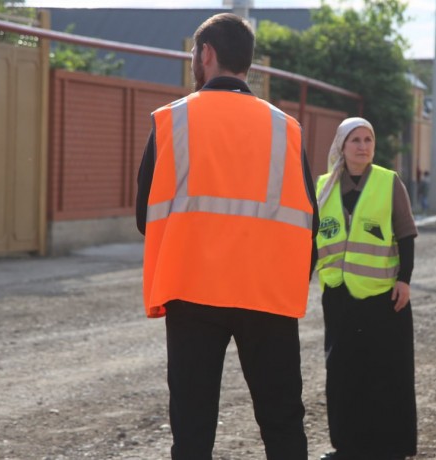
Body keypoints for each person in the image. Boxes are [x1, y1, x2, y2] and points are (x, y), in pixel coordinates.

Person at [134, 13, 318, 460]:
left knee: (193, 429)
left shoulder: (171, 122)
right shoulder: (286, 129)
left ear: (208, 54)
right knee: (282, 426)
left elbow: (145, 216)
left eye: (194, 53)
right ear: (247, 63)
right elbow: (308, 219)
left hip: (192, 291)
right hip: (267, 295)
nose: (194, 60)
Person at [315, 117, 418, 460]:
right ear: (341, 146)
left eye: (368, 139)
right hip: (339, 296)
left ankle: (391, 447)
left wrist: (405, 279)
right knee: (343, 372)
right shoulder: (323, 188)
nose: (362, 146)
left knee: (387, 372)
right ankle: (348, 446)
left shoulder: (389, 183)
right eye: (355, 140)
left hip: (383, 297)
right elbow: (308, 240)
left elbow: (405, 234)